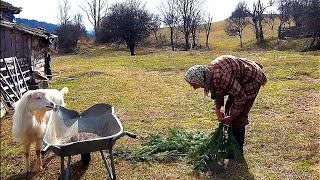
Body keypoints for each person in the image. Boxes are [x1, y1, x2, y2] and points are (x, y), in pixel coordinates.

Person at [184, 55, 267, 155]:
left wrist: (231, 116)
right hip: (239, 80)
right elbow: (218, 91)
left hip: (251, 79)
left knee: (239, 116)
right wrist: (218, 109)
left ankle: (236, 152)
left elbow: (241, 97)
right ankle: (231, 145)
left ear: (200, 79)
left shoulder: (220, 76)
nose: (195, 88)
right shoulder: (210, 74)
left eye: (194, 84)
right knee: (229, 109)